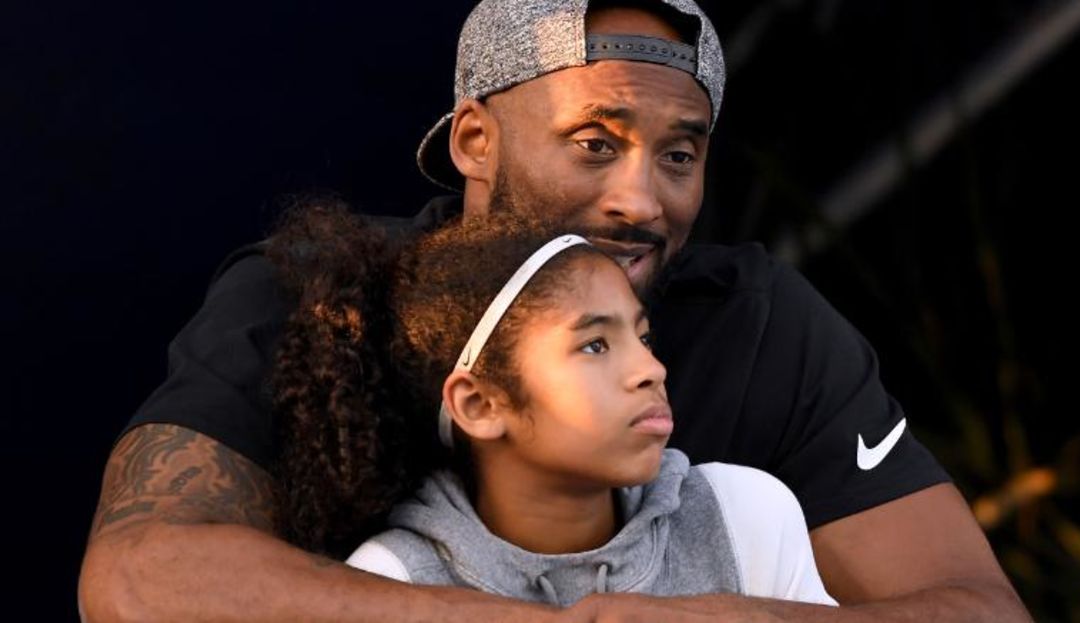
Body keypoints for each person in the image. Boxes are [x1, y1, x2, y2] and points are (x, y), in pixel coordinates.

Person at [78, 0, 1031, 621]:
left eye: (680, 155)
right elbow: (137, 579)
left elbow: (980, 609)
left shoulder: (758, 328)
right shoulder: (320, 296)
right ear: (476, 139)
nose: (642, 200)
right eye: (593, 142)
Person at [263, 203, 837, 607]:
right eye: (594, 345)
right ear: (481, 403)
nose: (650, 370)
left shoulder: (743, 515)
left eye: (643, 337)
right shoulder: (393, 583)